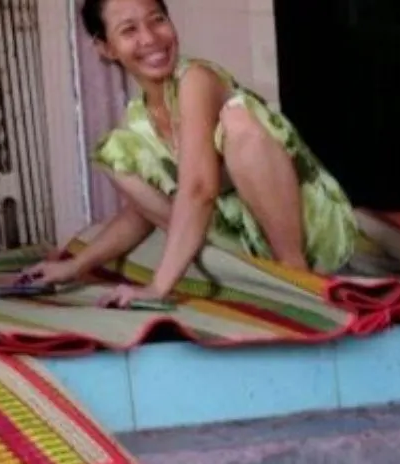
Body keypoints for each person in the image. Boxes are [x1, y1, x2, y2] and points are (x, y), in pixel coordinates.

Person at [23, 0, 357, 307]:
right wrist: (76, 266)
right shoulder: (137, 124)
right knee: (116, 158)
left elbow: (199, 189)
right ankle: (242, 273)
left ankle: (295, 273)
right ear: (106, 47)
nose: (150, 38)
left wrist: (158, 287)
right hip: (245, 244)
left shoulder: (195, 79)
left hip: (310, 231)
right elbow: (141, 212)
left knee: (238, 124)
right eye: (129, 30)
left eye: (157, 20)